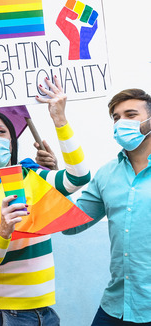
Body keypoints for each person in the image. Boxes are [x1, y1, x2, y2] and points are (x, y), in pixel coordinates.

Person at [0, 75, 91, 325]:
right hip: (1, 314)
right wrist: (3, 230)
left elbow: (79, 177)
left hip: (45, 312)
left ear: (11, 142)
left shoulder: (31, 176)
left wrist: (59, 119)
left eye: (1, 132)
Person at [63, 88, 151, 325]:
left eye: (130, 115)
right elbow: (70, 225)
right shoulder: (106, 174)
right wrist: (53, 178)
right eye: (116, 117)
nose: (121, 122)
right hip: (115, 307)